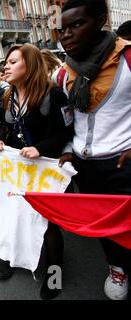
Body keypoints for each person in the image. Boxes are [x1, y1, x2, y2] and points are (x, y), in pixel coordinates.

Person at [57, 0, 131, 300]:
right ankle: (116, 267)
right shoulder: (63, 73)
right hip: (85, 167)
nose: (67, 35)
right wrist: (66, 148)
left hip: (122, 162)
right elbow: (63, 121)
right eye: (63, 28)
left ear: (101, 21)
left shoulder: (127, 59)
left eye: (77, 25)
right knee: (103, 224)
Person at [0, 44, 73, 299]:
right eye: (6, 62)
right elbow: (7, 127)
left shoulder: (54, 94)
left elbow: (67, 131)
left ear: (31, 64)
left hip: (47, 170)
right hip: (18, 171)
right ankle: (13, 257)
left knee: (48, 225)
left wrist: (41, 148)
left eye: (13, 61)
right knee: (14, 215)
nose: (6, 66)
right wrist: (0, 140)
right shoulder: (8, 96)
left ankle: (55, 275)